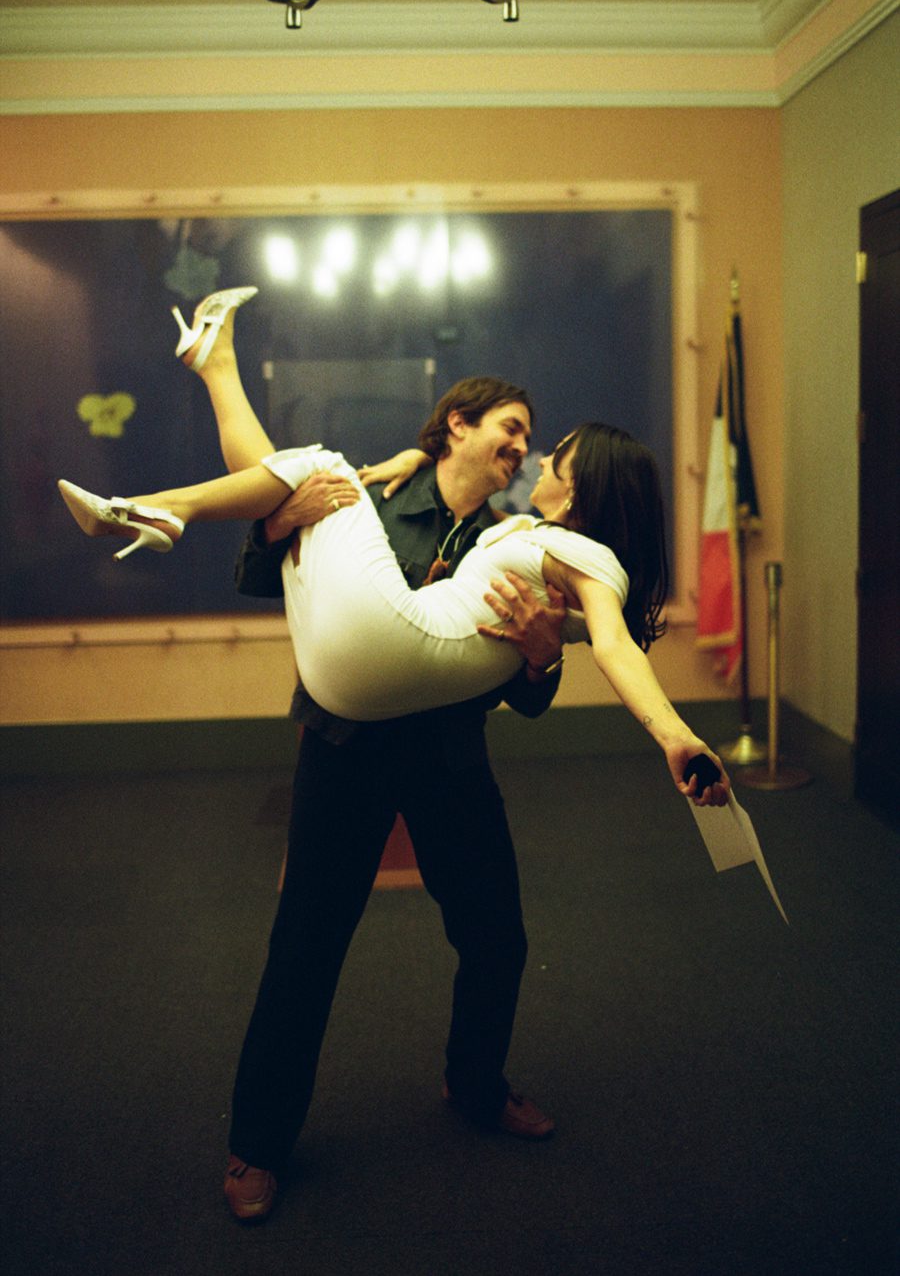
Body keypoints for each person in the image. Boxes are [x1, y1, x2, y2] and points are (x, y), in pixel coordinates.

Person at [58, 289, 729, 1222]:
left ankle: (476, 1084)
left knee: (498, 937)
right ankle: (256, 1145)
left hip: (449, 757)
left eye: (530, 439)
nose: (520, 448)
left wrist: (542, 656)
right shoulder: (375, 492)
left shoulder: (516, 535)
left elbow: (533, 692)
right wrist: (284, 521)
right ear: (455, 426)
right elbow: (270, 573)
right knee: (305, 949)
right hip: (346, 748)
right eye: (508, 428)